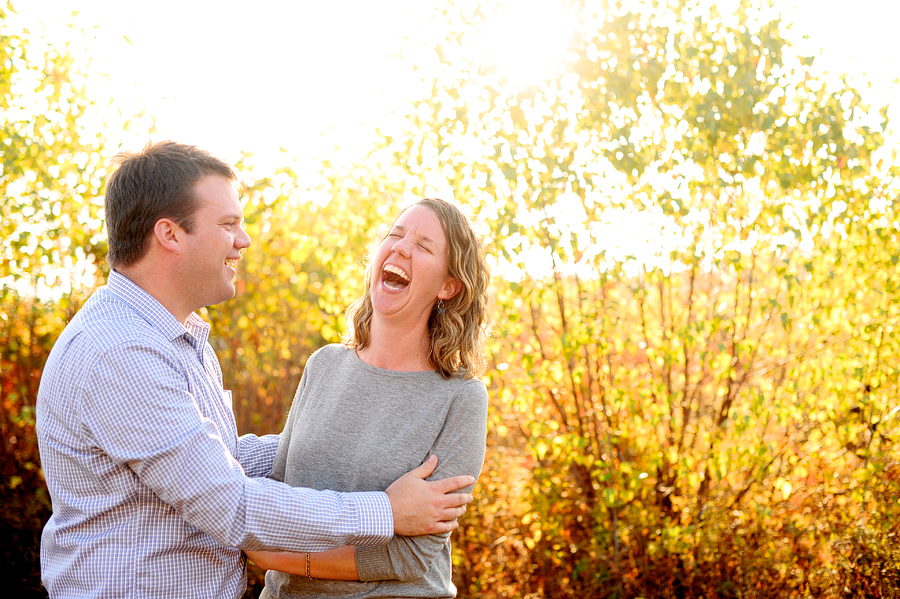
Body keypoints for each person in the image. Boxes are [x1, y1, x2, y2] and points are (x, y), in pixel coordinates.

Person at [35, 142, 476, 599]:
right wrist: (386, 510)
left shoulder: (180, 337)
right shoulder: (122, 354)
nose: (243, 240)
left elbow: (217, 457)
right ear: (170, 234)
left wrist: (334, 441)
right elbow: (229, 503)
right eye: (228, 224)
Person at [246, 197, 492, 598]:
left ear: (448, 286)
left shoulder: (461, 397)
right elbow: (280, 488)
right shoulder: (323, 365)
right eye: (395, 235)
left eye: (424, 246)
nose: (400, 247)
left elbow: (410, 556)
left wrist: (276, 559)